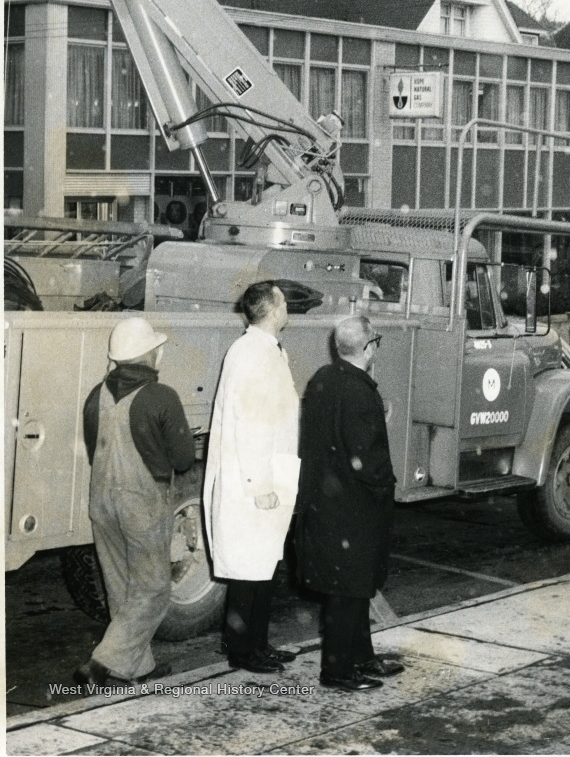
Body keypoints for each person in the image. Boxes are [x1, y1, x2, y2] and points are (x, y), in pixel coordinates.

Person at [75, 317, 195, 688]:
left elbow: (96, 449)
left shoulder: (96, 394)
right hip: (141, 501)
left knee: (122, 586)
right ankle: (100, 664)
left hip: (101, 498)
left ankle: (137, 667)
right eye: (157, 347)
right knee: (155, 589)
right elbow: (183, 459)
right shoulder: (162, 396)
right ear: (149, 354)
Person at [295, 316, 403, 691]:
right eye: (376, 341)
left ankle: (361, 655)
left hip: (327, 502)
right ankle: (338, 671)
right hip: (353, 508)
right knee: (348, 589)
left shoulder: (322, 379)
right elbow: (366, 457)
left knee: (354, 585)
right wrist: (385, 486)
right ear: (369, 348)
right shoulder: (359, 392)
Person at [203, 282, 300, 675]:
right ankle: (243, 652)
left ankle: (258, 643)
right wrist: (260, 486)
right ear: (275, 310)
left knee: (263, 567)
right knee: (249, 573)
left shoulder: (266, 350)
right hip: (253, 484)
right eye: (284, 301)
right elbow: (252, 425)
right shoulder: (252, 354)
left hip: (268, 478)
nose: (287, 306)